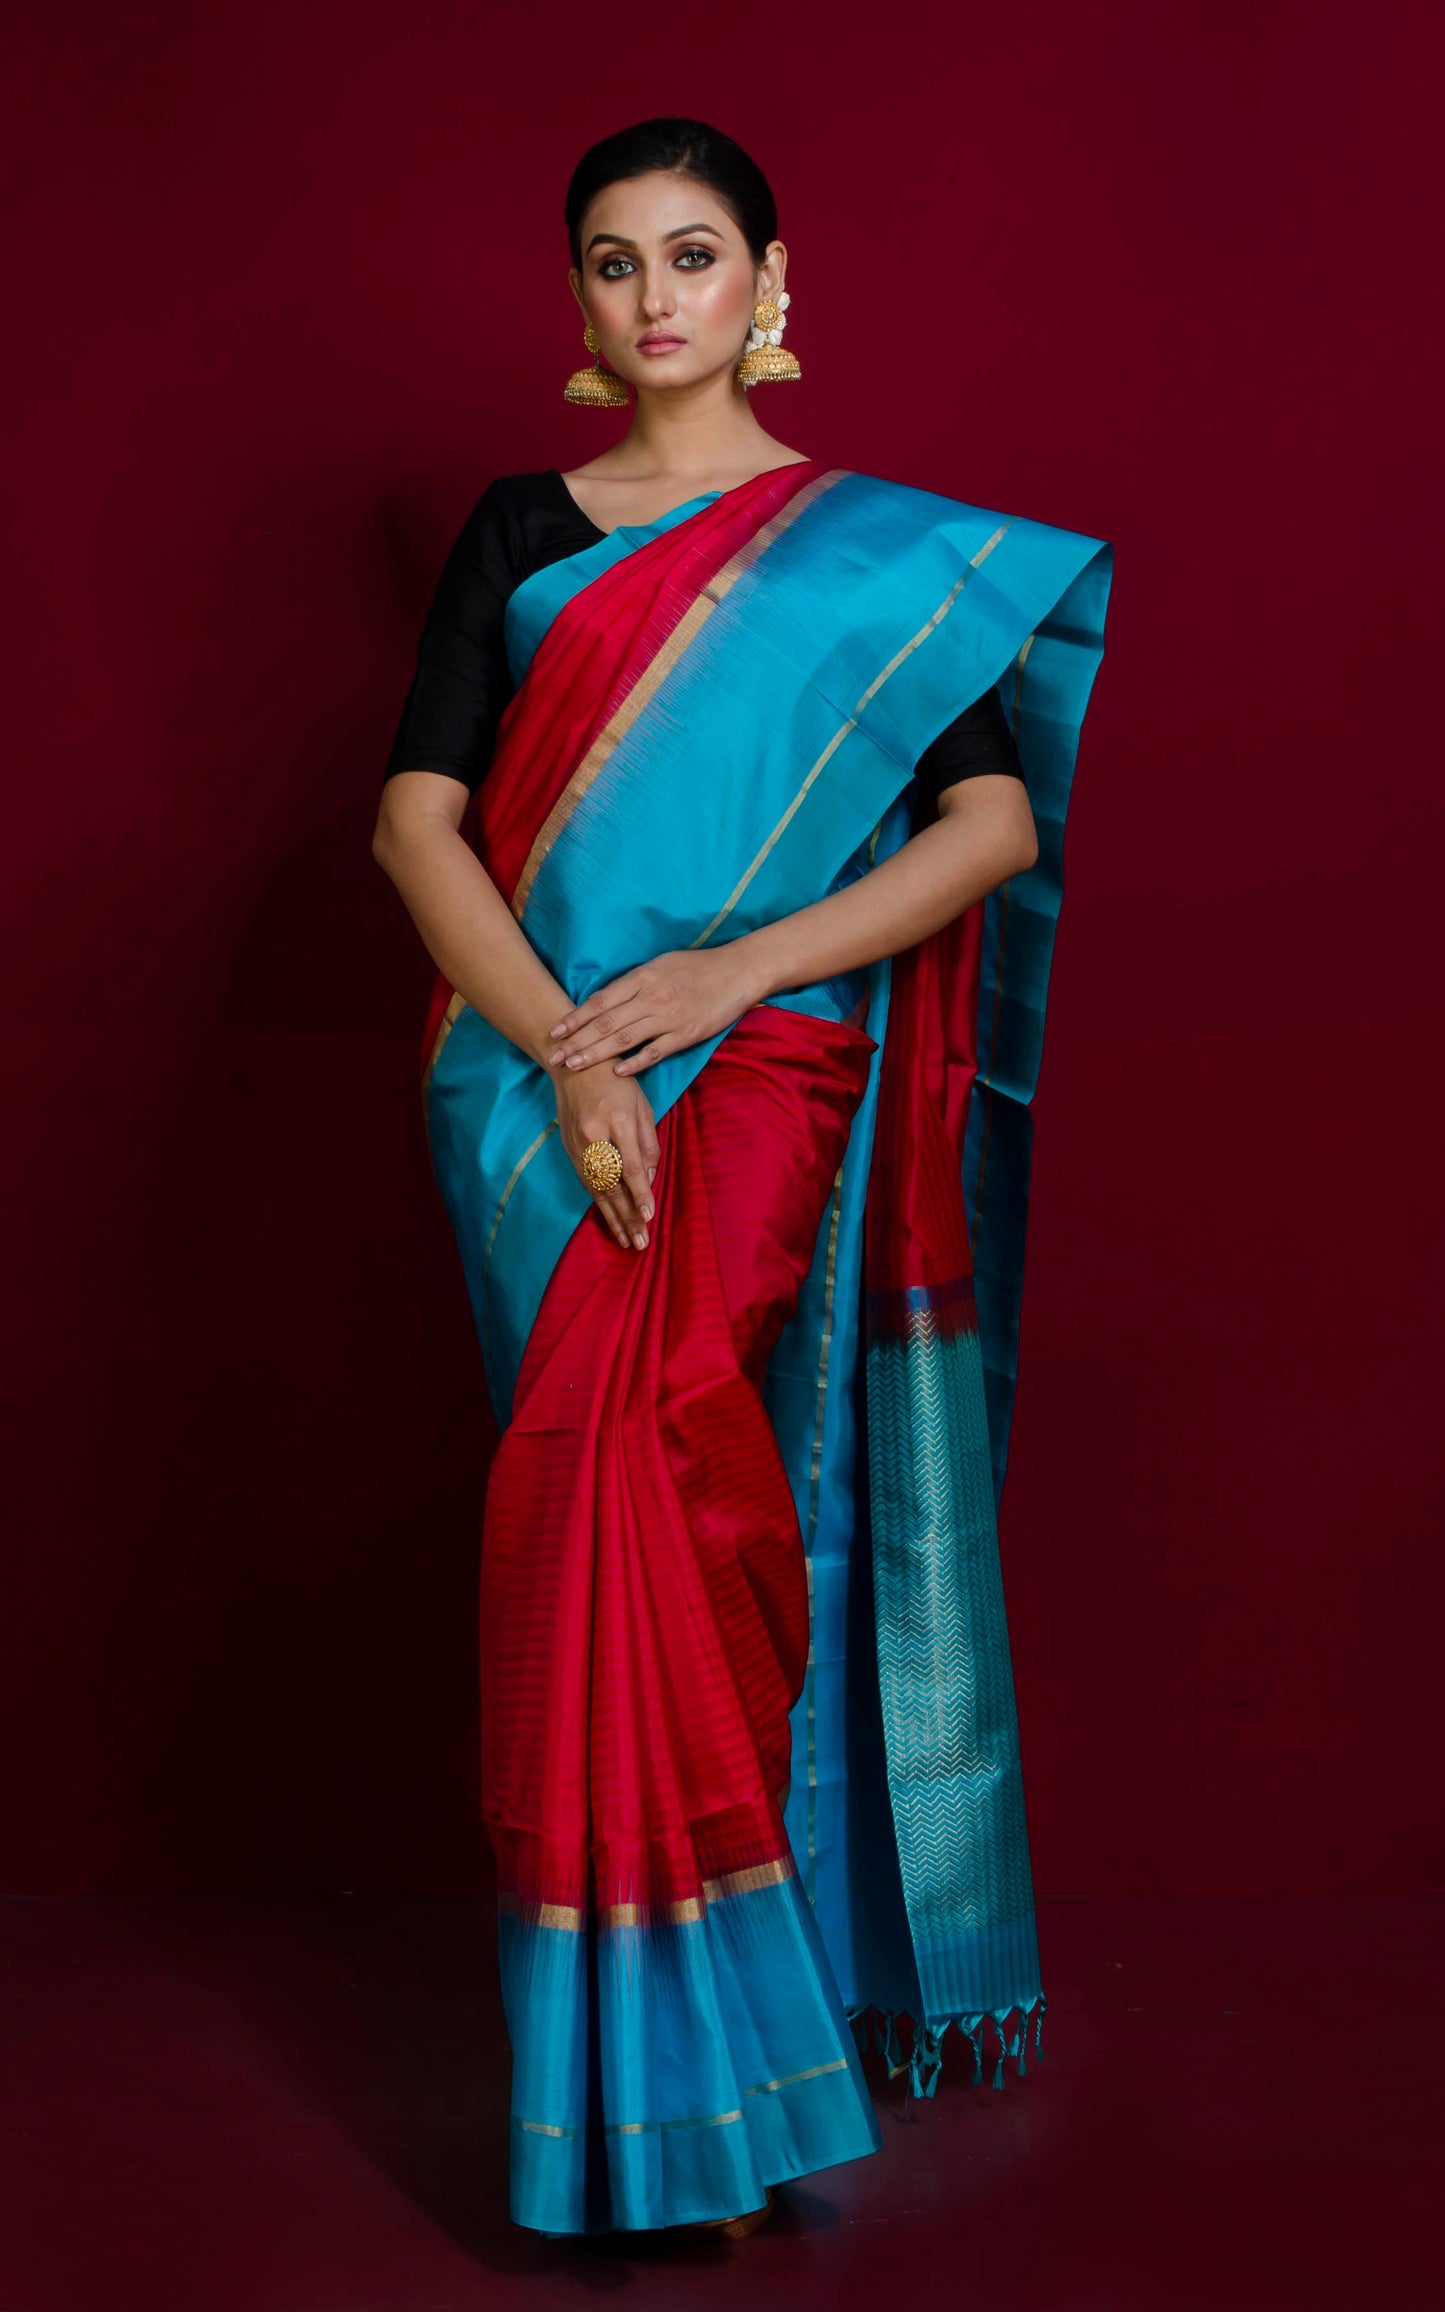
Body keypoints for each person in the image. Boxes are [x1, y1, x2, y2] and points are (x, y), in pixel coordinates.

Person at [372, 116, 1112, 2242]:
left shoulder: (867, 564)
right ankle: (664, 2091)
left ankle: (704, 2070)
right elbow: (418, 822)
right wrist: (572, 1050)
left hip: (765, 1067)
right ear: (578, 301)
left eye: (694, 254)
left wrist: (728, 972)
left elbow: (988, 829)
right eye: (614, 262)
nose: (655, 296)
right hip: (533, 1086)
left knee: (685, 1496)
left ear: (770, 281)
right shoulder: (528, 528)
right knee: (575, 1503)